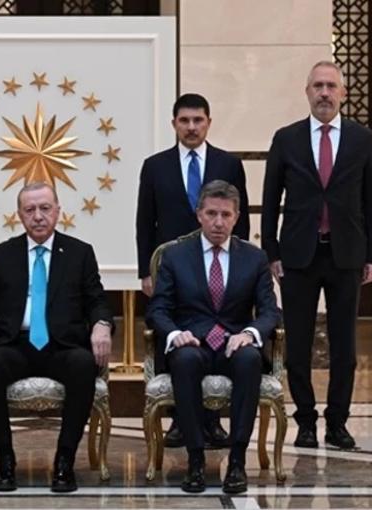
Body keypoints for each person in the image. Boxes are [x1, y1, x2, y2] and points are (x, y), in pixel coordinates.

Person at [0, 182, 113, 493]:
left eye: (45, 208)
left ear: (58, 211)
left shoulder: (80, 253)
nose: (38, 216)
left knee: (83, 364)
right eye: (30, 210)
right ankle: (6, 461)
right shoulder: (2, 254)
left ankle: (64, 462)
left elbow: (97, 300)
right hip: (15, 344)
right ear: (19, 215)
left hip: (62, 345)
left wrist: (101, 324)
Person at [261, 61, 372, 450]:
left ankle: (338, 423)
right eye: (317, 86)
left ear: (342, 92)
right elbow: (270, 200)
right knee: (298, 345)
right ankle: (306, 421)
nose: (324, 93)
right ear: (307, 91)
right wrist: (271, 251)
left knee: (345, 348)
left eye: (331, 86)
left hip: (346, 255)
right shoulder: (286, 138)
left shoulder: (362, 139)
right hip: (298, 257)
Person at [147, 180, 278, 494]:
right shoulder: (175, 256)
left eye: (226, 215)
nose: (218, 222)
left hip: (234, 343)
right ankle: (195, 460)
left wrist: (249, 333)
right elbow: (157, 309)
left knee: (249, 360)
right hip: (193, 342)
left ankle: (237, 461)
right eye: (211, 214)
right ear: (199, 215)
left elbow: (270, 311)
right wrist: (175, 334)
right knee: (185, 360)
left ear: (236, 217)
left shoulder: (254, 258)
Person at [136, 93, 250, 448]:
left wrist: (242, 269)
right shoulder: (155, 166)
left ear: (208, 123)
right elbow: (144, 222)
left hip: (218, 267)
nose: (191, 127)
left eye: (198, 120)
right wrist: (146, 271)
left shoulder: (228, 164)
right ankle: (178, 421)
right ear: (174, 124)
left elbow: (241, 221)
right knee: (176, 340)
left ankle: (212, 421)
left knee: (216, 335)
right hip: (173, 271)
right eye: (184, 120)